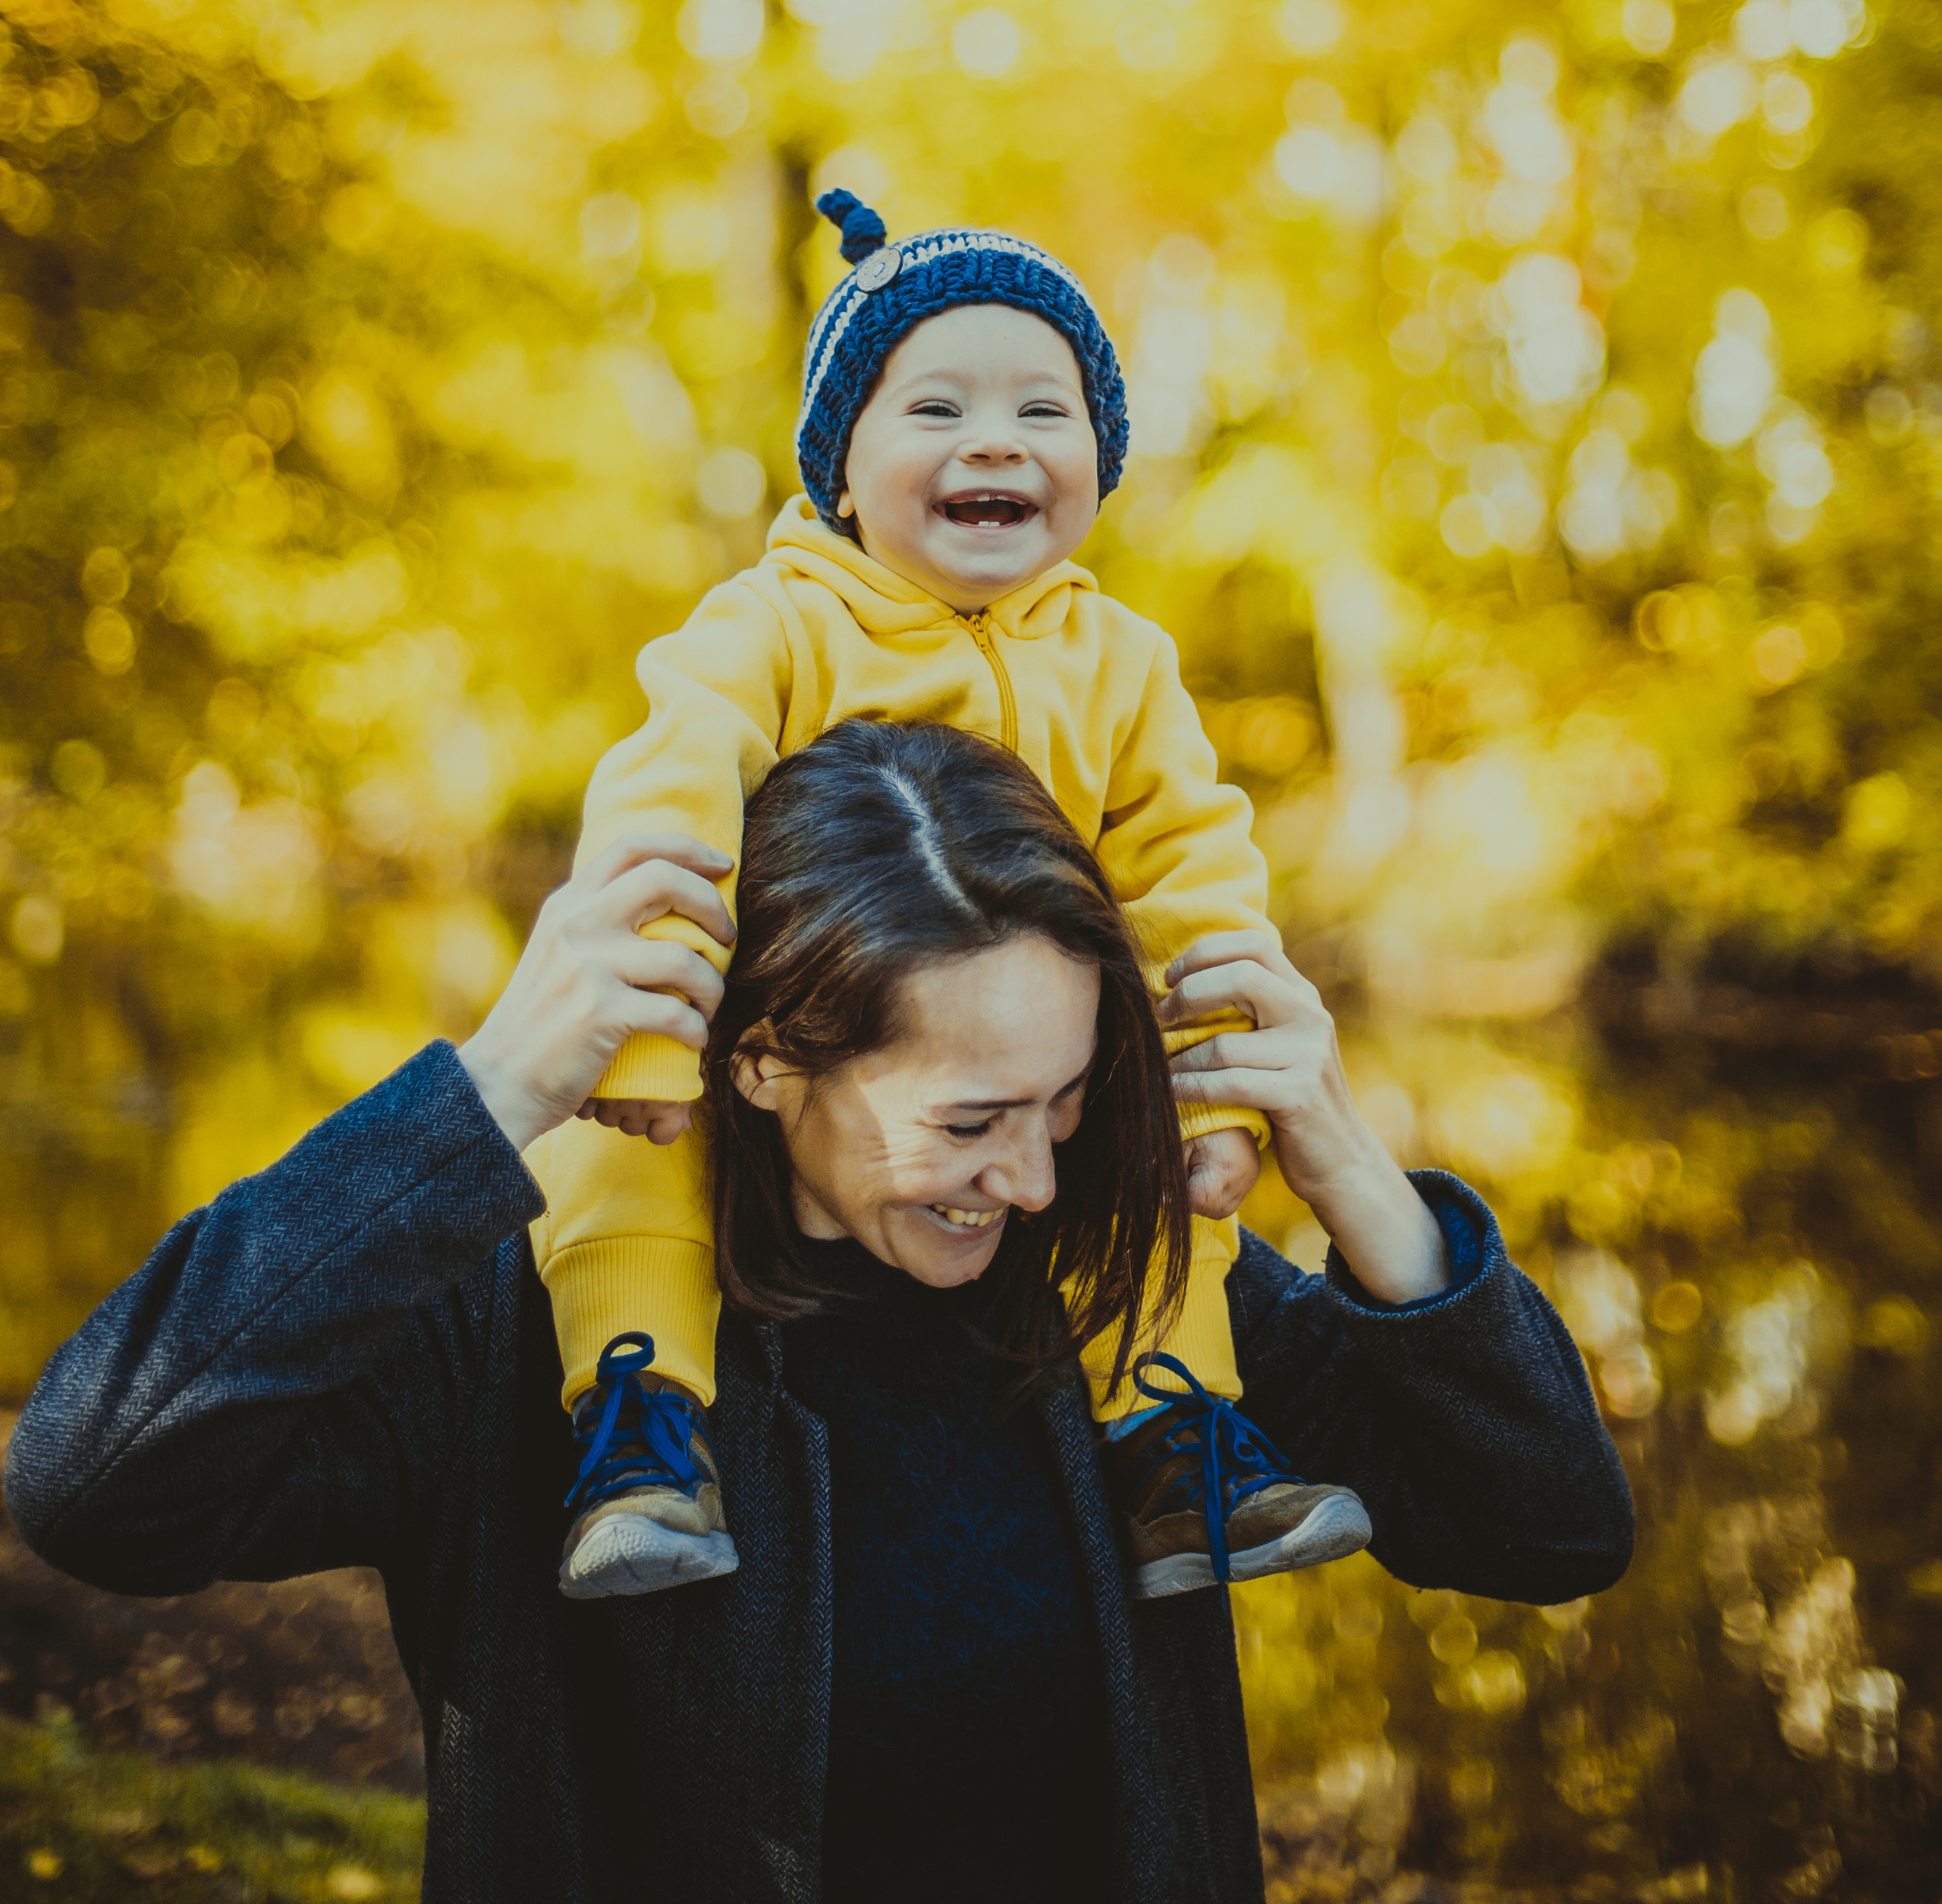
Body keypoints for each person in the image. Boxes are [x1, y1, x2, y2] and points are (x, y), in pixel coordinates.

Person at [5, 720, 1634, 1904]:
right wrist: (484, 1101)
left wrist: (1352, 1173)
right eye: (967, 1120)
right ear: (763, 1057)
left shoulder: (1113, 1293)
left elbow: (1547, 1525)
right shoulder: (534, 1330)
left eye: (1063, 1102)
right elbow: (96, 1481)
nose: (1035, 1182)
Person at [537, 187, 1358, 1601]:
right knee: (614, 1167)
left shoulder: (1123, 662)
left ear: (1100, 464)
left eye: (1047, 411)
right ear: (838, 472)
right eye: (936, 411)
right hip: (777, 1061)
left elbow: (1191, 872)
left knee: (1144, 1184)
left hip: (1027, 1052)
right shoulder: (778, 623)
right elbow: (668, 802)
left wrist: (1215, 1102)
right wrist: (650, 1033)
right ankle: (643, 1426)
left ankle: (1174, 1437)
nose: (996, 439)